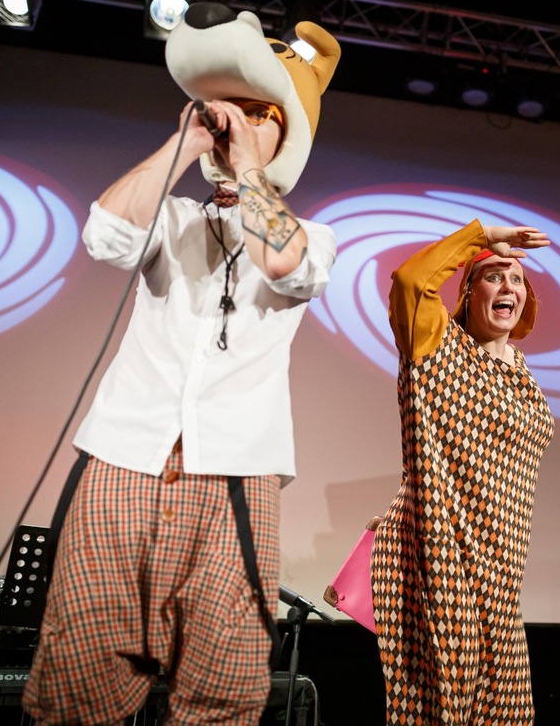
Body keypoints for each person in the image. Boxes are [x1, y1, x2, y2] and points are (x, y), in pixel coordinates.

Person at [21, 94, 338, 725]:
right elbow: (103, 236)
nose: (237, 119)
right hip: (123, 459)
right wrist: (187, 143)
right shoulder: (172, 217)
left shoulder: (314, 235)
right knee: (80, 668)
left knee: (223, 680)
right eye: (232, 106)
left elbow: (286, 264)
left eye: (259, 112)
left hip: (236, 476)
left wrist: (247, 170)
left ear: (286, 138)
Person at [365, 219, 554, 724]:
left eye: (516, 279)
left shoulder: (522, 376)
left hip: (503, 573)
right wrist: (481, 239)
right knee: (443, 709)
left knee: (508, 715)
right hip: (445, 556)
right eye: (493, 276)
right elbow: (410, 282)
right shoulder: (436, 343)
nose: (508, 285)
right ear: (469, 294)